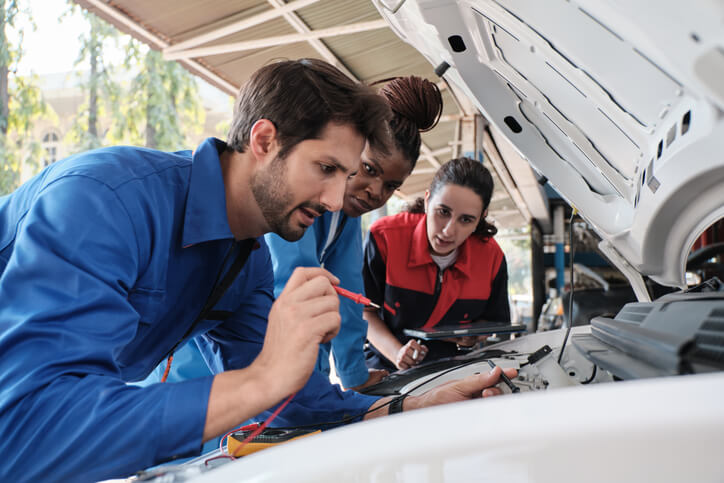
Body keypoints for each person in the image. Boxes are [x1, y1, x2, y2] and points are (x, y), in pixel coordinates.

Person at [0, 60, 515, 482]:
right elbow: (26, 431)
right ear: (264, 140)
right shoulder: (102, 205)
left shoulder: (246, 262)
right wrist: (259, 379)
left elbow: (292, 396)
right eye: (327, 168)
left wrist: (409, 407)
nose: (338, 199)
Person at [264, 75, 444, 390]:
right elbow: (294, 287)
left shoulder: (344, 215)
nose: (375, 192)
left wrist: (353, 376)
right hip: (220, 369)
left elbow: (348, 294)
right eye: (369, 169)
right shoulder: (297, 195)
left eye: (391, 186)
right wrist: (315, 385)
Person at [363, 157, 511, 372]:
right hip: (384, 365)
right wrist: (397, 354)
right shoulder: (385, 238)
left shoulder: (492, 257)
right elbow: (365, 312)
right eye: (443, 212)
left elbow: (494, 322)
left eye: (466, 220)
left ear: (481, 218)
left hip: (455, 369)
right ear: (427, 200)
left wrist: (468, 337)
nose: (448, 231)